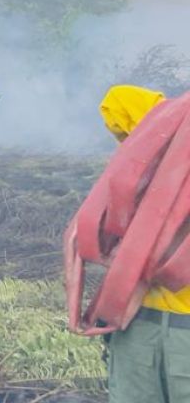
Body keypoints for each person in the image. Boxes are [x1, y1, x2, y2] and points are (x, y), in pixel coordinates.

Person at [98, 84, 190, 403]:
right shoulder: (179, 130)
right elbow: (116, 101)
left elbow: (117, 103)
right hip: (140, 328)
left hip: (147, 331)